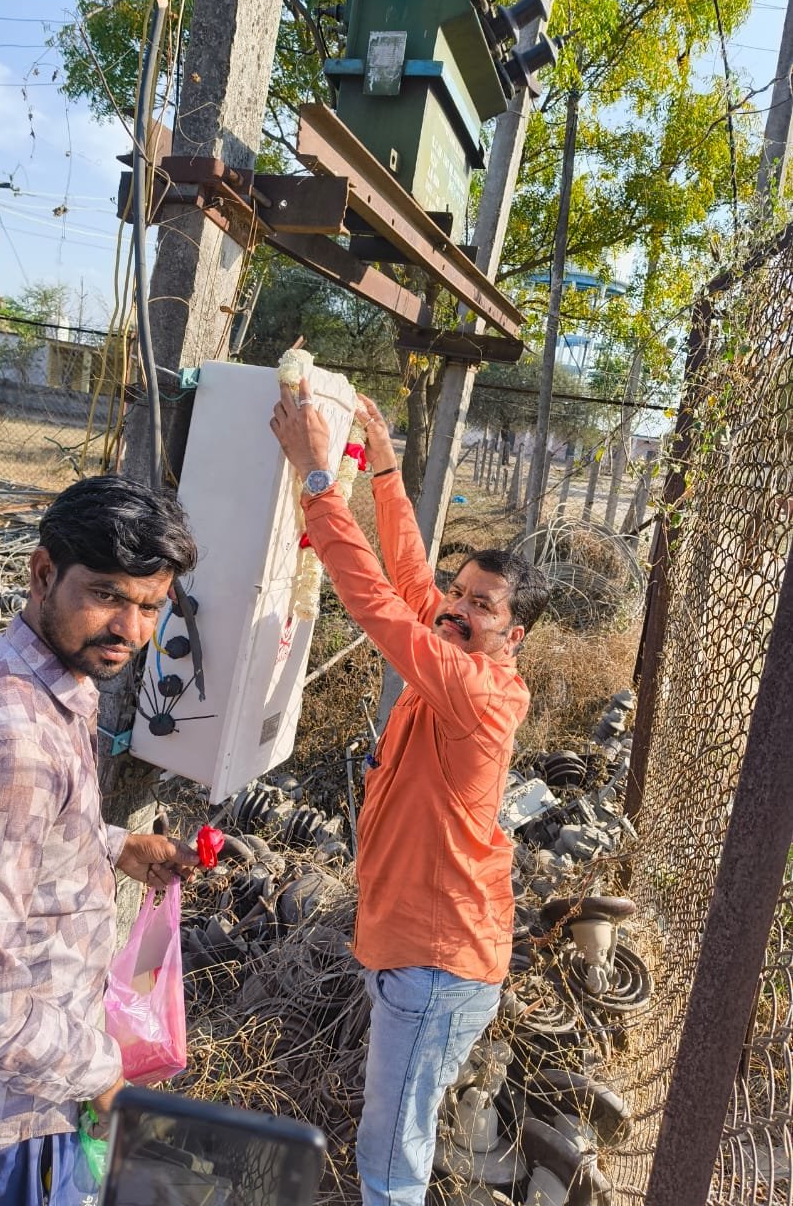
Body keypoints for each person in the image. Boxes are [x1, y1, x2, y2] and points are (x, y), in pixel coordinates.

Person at [271, 379, 550, 1206]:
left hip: (435, 963)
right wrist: (386, 471)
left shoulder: (476, 691)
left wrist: (318, 481)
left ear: (513, 635)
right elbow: (409, 581)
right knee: (393, 1137)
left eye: (479, 605)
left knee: (390, 1160)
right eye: (458, 593)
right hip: (414, 953)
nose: (455, 608)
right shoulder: (458, 647)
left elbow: (378, 605)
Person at [0, 474, 201, 1206]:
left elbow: (24, 830)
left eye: (150, 606)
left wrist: (112, 844)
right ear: (43, 574)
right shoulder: (14, 742)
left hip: (21, 1087)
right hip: (14, 1118)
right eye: (106, 595)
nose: (130, 630)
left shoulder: (21, 668)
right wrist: (102, 1072)